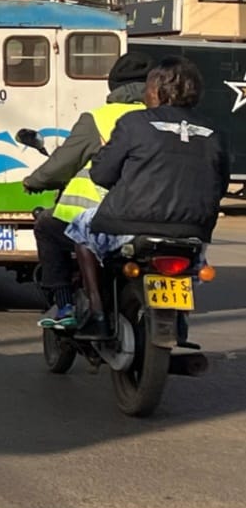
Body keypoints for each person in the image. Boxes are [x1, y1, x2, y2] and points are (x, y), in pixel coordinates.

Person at [65, 56, 230, 338]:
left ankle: (97, 311)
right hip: (193, 231)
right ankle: (180, 318)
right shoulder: (215, 133)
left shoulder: (133, 123)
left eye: (148, 87)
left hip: (128, 225)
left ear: (157, 89)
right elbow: (221, 184)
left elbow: (101, 175)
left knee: (80, 229)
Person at [23, 51, 155, 330]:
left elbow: (63, 164)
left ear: (114, 86)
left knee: (46, 225)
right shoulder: (163, 118)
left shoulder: (100, 118)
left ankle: (65, 304)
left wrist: (34, 181)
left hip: (107, 217)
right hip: (160, 219)